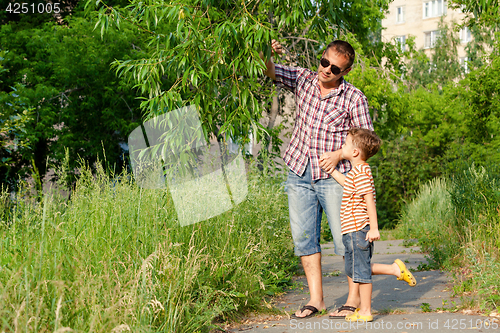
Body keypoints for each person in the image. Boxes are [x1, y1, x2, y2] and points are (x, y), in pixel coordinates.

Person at [262, 39, 374, 319]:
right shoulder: (303, 79)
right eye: (324, 62)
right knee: (304, 240)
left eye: (334, 68)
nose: (326, 70)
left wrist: (338, 155)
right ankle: (316, 300)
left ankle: (353, 299)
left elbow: (367, 143)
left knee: (347, 241)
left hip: (336, 179)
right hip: (298, 171)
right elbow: (270, 71)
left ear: (345, 72)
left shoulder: (354, 98)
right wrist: (265, 52)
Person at [322, 127, 417, 322]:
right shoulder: (355, 171)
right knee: (354, 269)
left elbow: (369, 200)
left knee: (361, 271)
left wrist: (374, 227)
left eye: (346, 144)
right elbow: (347, 183)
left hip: (358, 229)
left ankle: (365, 310)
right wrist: (332, 170)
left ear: (355, 152)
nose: (342, 147)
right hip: (350, 230)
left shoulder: (363, 172)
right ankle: (394, 269)